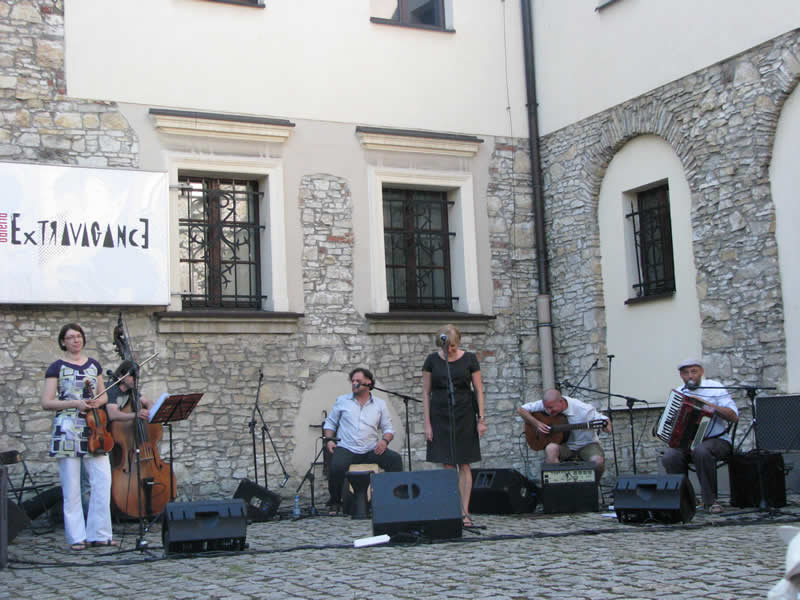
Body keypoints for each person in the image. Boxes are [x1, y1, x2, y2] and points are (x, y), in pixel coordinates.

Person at [40, 323, 117, 551]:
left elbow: (104, 395)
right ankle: (77, 537)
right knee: (72, 486)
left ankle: (100, 534)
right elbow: (47, 402)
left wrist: (97, 401)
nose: (76, 340)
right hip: (67, 428)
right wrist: (75, 403)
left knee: (102, 481)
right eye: (71, 337)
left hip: (95, 428)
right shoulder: (56, 367)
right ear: (63, 342)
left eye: (79, 336)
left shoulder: (94, 365)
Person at [422, 324, 486, 527]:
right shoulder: (432, 360)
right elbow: (426, 393)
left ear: (458, 343)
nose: (449, 350)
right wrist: (427, 424)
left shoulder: (469, 359)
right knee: (447, 464)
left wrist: (481, 418)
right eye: (445, 347)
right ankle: (451, 509)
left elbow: (478, 390)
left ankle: (465, 512)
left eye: (452, 346)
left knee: (464, 463)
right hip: (440, 415)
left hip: (464, 413)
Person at [661, 358, 738, 514]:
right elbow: (671, 420)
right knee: (670, 456)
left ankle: (710, 501)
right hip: (688, 443)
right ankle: (686, 499)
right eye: (685, 373)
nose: (690, 376)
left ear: (701, 372)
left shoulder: (715, 388)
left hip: (717, 440)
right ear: (681, 375)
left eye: (694, 372)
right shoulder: (679, 392)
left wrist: (707, 405)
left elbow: (733, 416)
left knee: (701, 450)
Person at [323, 367, 403, 514]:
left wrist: (384, 441)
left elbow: (388, 429)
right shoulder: (342, 401)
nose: (354, 383)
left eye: (358, 381)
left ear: (368, 383)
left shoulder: (379, 404)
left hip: (370, 449)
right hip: (347, 447)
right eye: (353, 381)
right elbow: (330, 423)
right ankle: (335, 501)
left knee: (395, 460)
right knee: (336, 467)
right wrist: (329, 440)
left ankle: (394, 498)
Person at [517, 388, 611, 478]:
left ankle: (592, 486)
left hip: (587, 444)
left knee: (598, 461)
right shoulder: (548, 403)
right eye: (546, 408)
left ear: (561, 401)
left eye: (551, 408)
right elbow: (521, 410)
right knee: (550, 449)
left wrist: (606, 426)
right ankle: (558, 482)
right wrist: (537, 423)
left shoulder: (583, 409)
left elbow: (605, 422)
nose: (548, 411)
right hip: (566, 445)